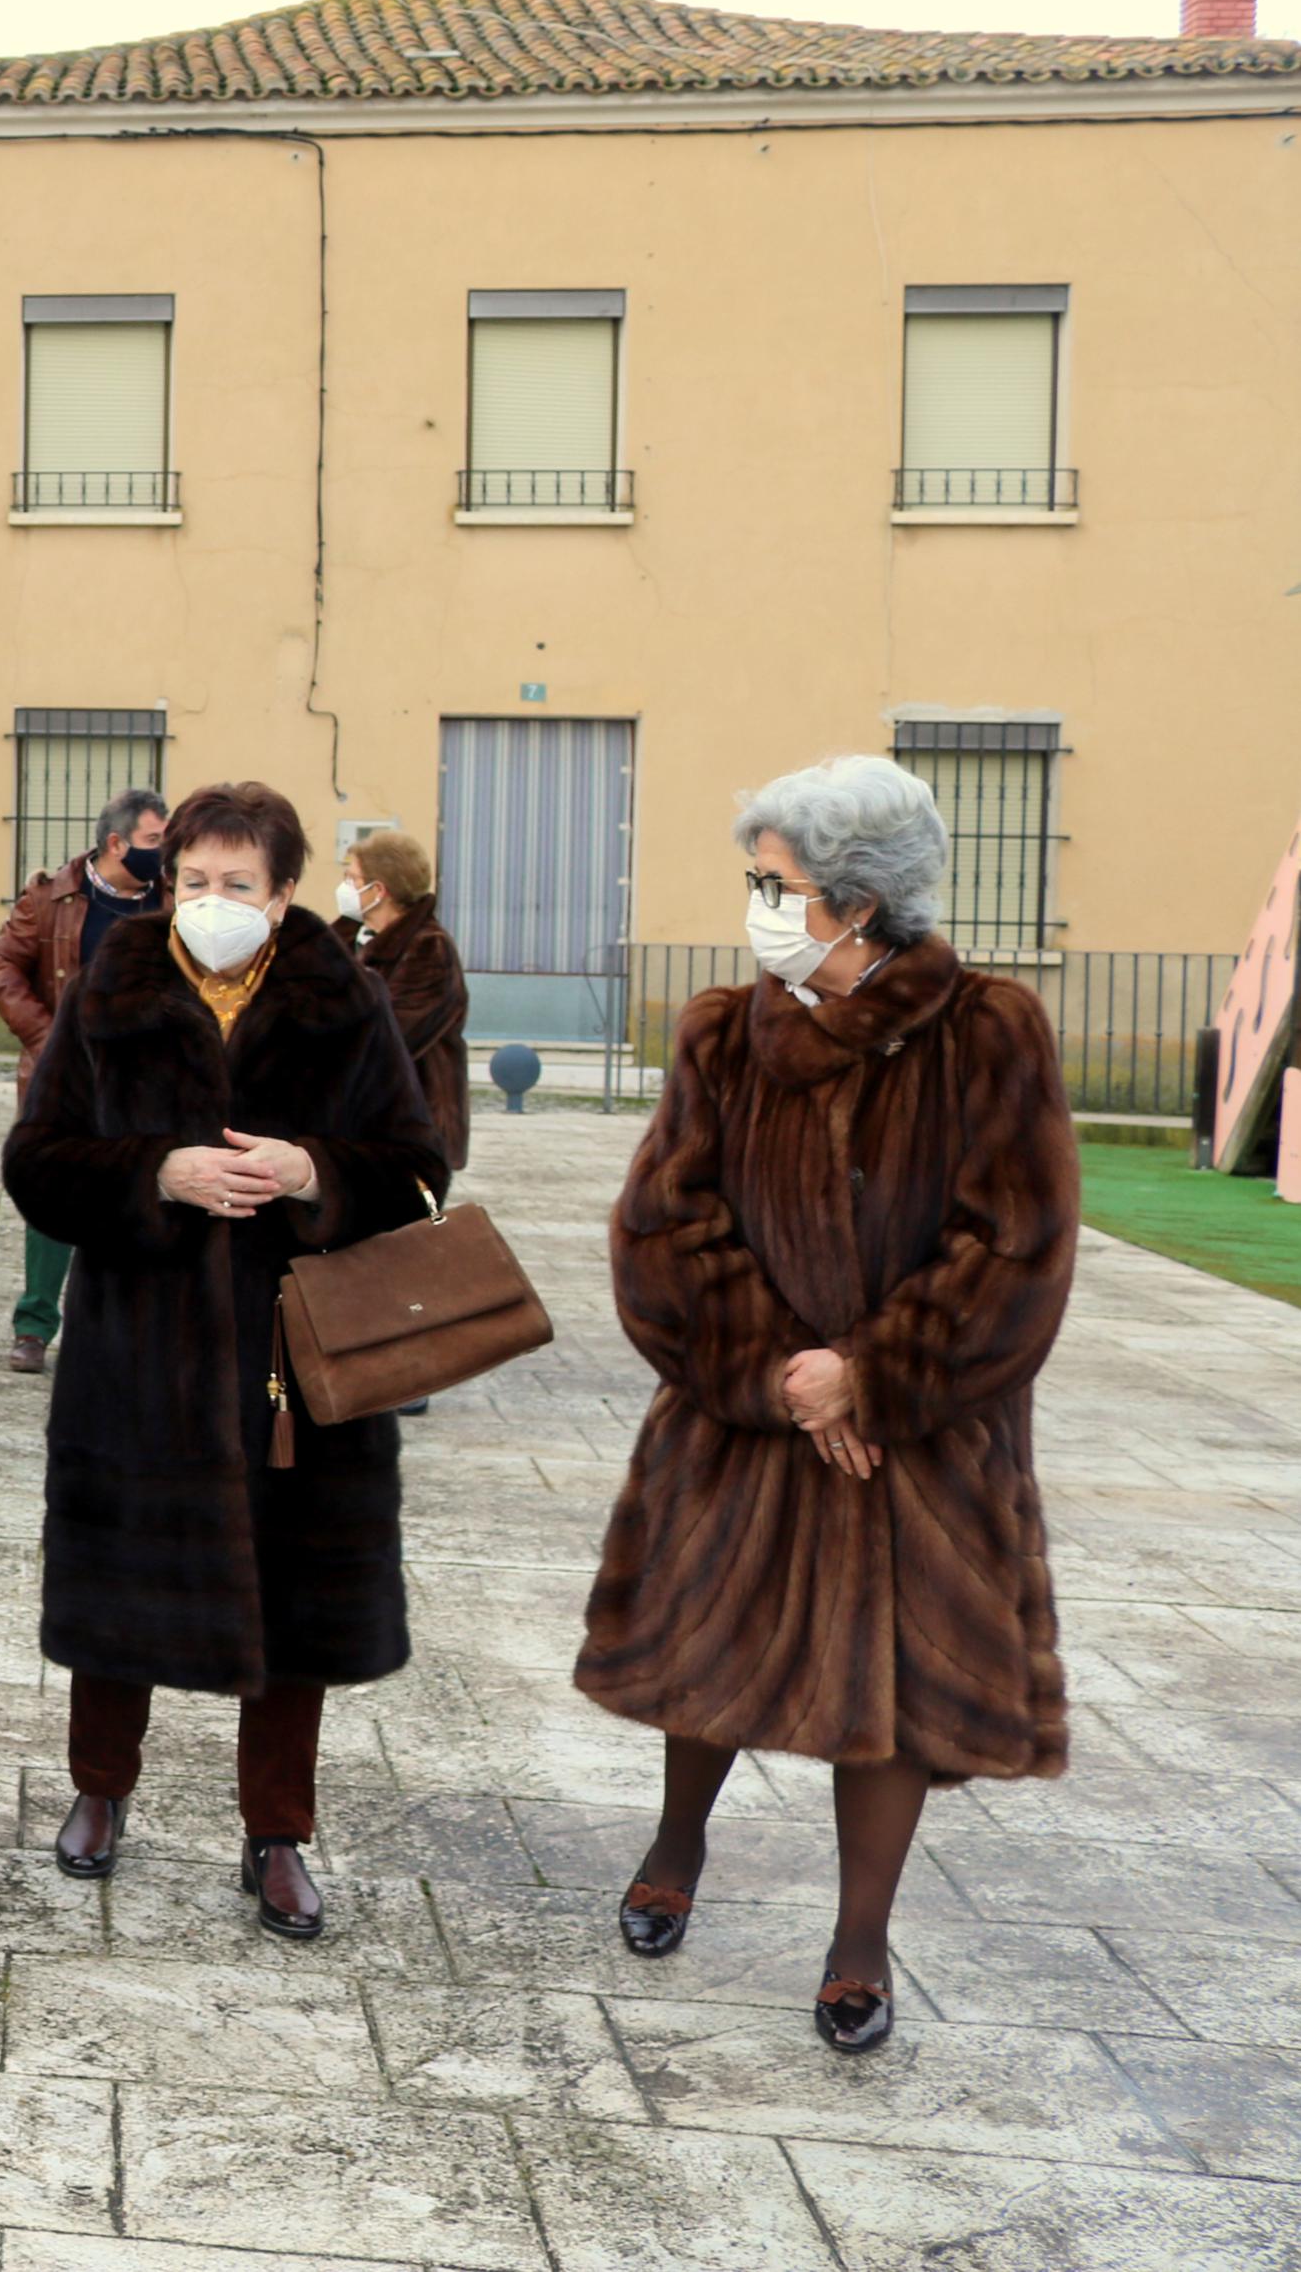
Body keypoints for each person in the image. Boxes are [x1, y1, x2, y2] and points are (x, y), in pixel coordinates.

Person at [580, 757, 1077, 2055]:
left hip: (915, 1433)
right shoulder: (715, 1031)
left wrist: (871, 1368)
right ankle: (673, 1841)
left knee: (893, 1688)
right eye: (753, 878)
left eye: (776, 884)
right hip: (740, 1418)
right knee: (707, 1651)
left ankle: (856, 1941)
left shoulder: (989, 1032)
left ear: (859, 900)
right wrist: (777, 1373)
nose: (757, 906)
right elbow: (657, 1225)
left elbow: (1016, 1238)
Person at [3, 780, 445, 1941]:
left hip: (295, 1360)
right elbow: (37, 1161)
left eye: (234, 883)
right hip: (136, 1355)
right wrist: (151, 1171)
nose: (208, 901)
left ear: (284, 892)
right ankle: (99, 1789)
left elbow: (414, 1168)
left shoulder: (342, 1001)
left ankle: (277, 1831)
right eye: (190, 879)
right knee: (118, 1592)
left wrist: (312, 1173)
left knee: (293, 1605)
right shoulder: (110, 987)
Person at [0, 789, 168, 1375]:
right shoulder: (49, 897)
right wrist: (45, 1037)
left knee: (137, 1194)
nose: (166, 855)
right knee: (54, 1197)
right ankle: (35, 1326)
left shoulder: (174, 902)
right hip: (65, 1075)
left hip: (144, 1077)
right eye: (155, 842)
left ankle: (122, 1324)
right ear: (117, 844)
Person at [341, 830, 471, 1175]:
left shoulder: (429, 949)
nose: (345, 888)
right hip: (354, 1123)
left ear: (379, 890)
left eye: (352, 878)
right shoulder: (344, 940)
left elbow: (391, 1037)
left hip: (411, 1125)